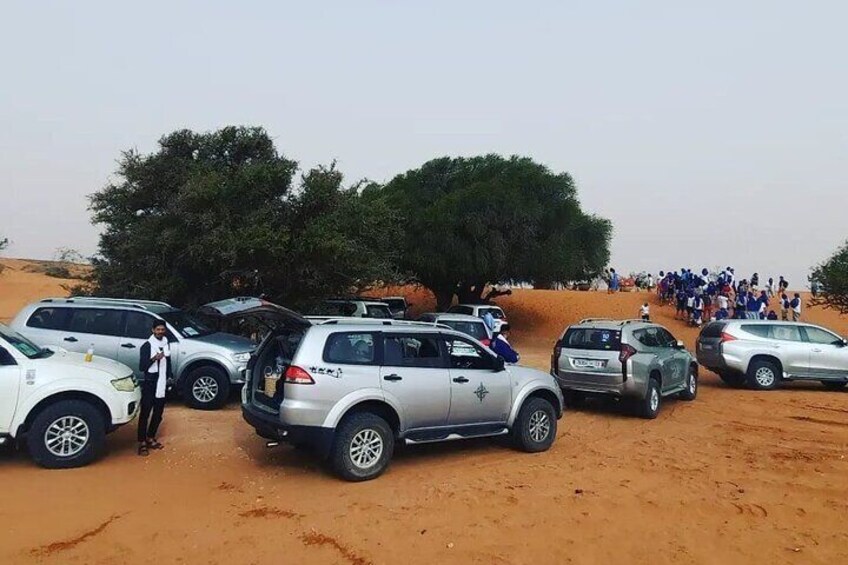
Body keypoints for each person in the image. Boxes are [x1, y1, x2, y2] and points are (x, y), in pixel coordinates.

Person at [138, 320, 171, 456]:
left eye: (162, 329)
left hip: (162, 382)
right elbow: (142, 367)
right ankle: (142, 442)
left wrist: (170, 376)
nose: (160, 332)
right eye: (158, 329)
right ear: (153, 330)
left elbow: (168, 361)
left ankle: (151, 437)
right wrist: (154, 359)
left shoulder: (166, 344)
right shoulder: (147, 346)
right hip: (150, 382)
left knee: (158, 413)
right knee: (145, 412)